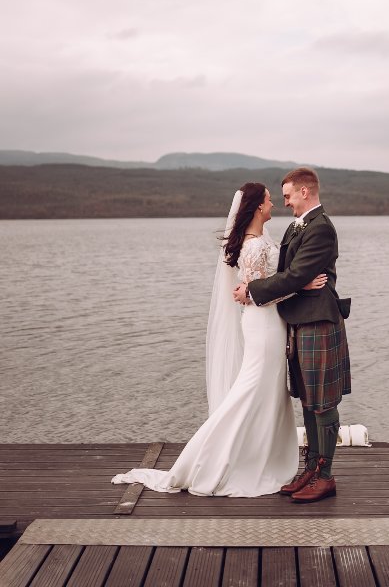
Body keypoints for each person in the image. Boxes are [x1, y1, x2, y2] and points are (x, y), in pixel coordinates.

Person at [111, 182, 326, 497]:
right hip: (263, 325)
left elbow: (262, 285)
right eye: (269, 200)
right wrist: (301, 287)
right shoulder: (253, 246)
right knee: (250, 391)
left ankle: (260, 457)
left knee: (268, 393)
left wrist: (264, 288)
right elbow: (262, 294)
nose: (274, 205)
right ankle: (208, 458)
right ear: (257, 206)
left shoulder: (262, 239)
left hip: (270, 324)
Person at [233, 166, 351, 503]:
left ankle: (325, 477)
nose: (285, 202)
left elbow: (296, 274)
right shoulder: (297, 225)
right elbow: (290, 275)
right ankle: (311, 469)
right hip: (299, 321)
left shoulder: (321, 228)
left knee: (323, 401)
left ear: (304, 191)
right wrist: (295, 282)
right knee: (308, 399)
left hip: (319, 322)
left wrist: (253, 291)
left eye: (287, 196)